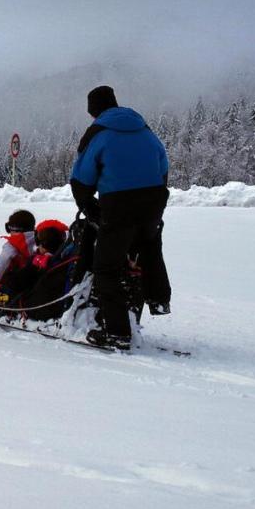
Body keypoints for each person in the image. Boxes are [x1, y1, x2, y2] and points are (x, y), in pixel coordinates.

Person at [70, 85, 171, 350]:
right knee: (149, 246)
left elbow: (82, 178)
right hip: (154, 200)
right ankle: (159, 298)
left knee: (107, 267)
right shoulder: (143, 128)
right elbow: (163, 165)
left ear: (93, 110)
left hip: (119, 205)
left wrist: (90, 207)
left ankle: (117, 333)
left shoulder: (98, 132)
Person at [0, 209, 37, 302]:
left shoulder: (12, 245)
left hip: (13, 278)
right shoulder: (37, 239)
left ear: (15, 229)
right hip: (27, 276)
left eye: (9, 229)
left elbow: (3, 261)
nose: (10, 233)